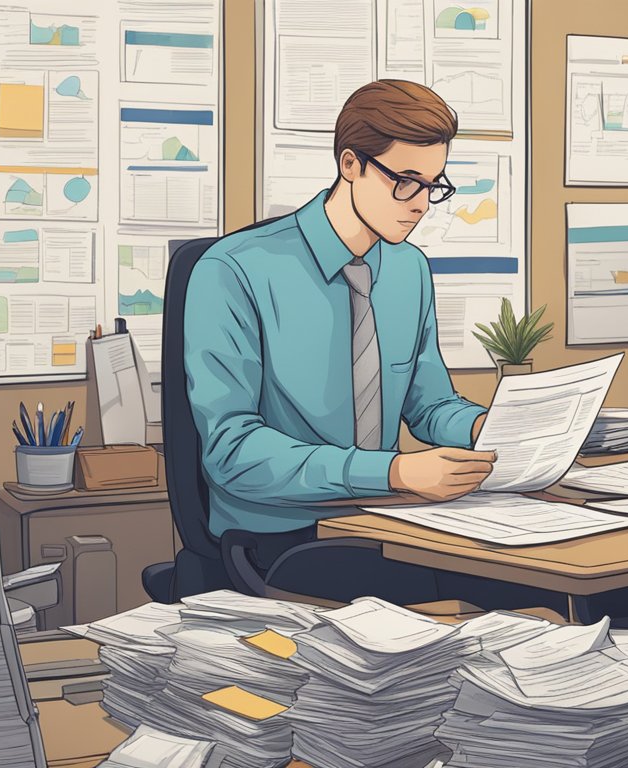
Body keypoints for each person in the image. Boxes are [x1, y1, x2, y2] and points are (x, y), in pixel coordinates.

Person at [182, 80, 498, 598]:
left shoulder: (408, 269)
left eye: (434, 185)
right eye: (405, 182)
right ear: (350, 164)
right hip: (281, 537)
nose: (421, 205)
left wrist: (488, 428)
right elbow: (232, 450)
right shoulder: (235, 270)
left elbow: (430, 405)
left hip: (387, 521)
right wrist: (395, 473)